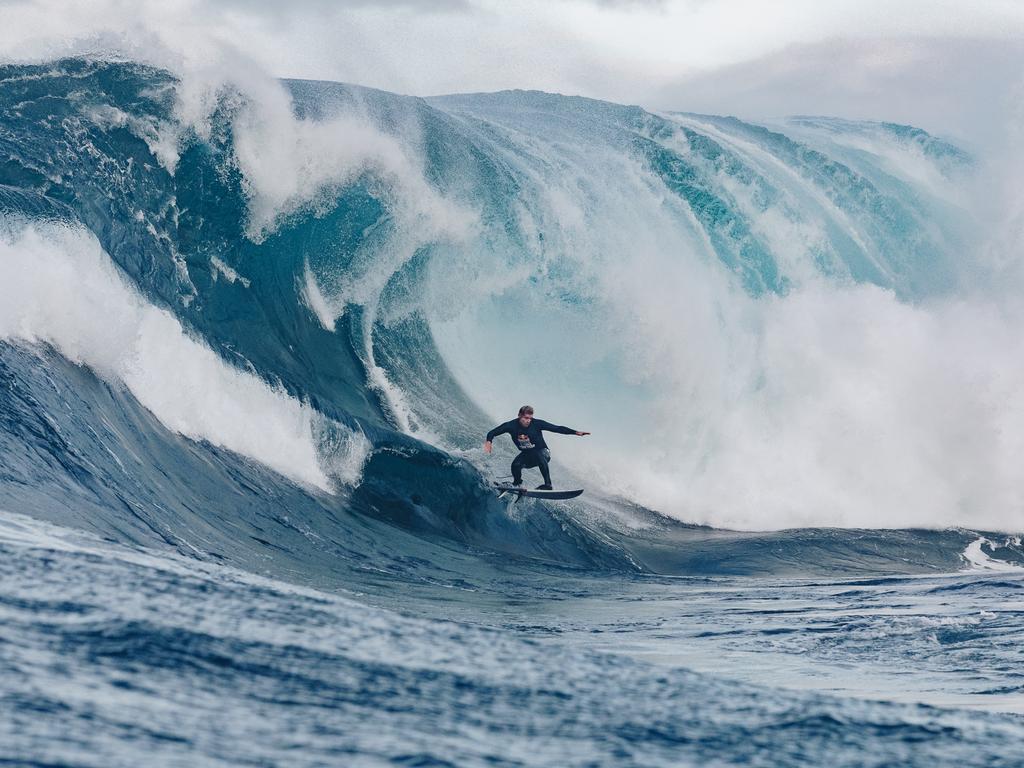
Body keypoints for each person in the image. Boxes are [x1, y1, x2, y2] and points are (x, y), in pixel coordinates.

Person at [483, 405, 590, 490]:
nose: (528, 420)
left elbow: (557, 428)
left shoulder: (537, 423)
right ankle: (516, 483)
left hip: (543, 453)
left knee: (538, 453)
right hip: (527, 455)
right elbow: (493, 432)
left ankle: (548, 485)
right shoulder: (510, 425)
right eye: (526, 418)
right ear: (519, 415)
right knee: (515, 465)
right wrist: (489, 441)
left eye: (530, 418)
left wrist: (575, 432)